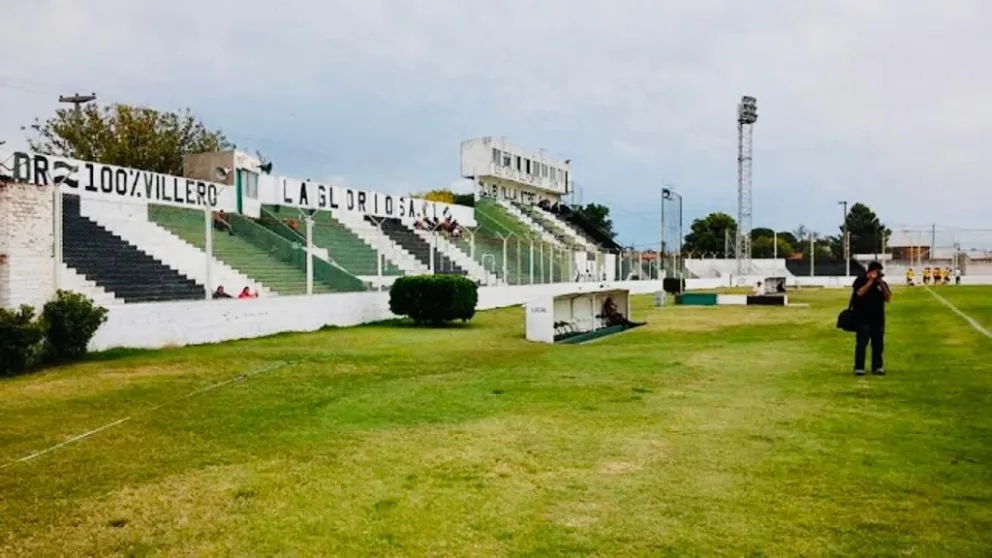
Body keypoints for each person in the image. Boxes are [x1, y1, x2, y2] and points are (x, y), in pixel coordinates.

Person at [851, 261, 891, 376]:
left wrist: (880, 284)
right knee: (862, 343)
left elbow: (888, 298)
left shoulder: (881, 283)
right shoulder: (860, 280)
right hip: (862, 317)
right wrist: (870, 281)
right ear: (870, 271)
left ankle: (877, 366)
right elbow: (859, 293)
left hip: (878, 318)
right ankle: (859, 367)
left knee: (878, 344)